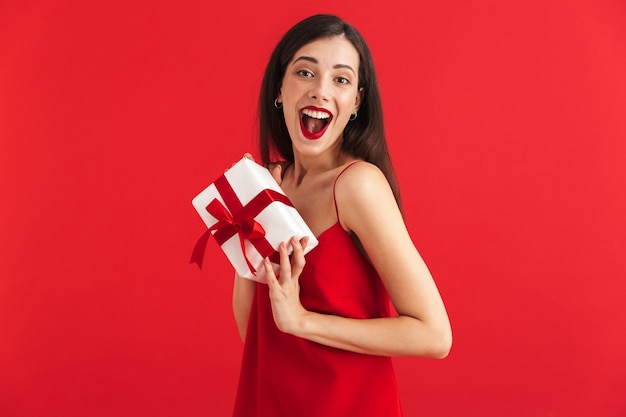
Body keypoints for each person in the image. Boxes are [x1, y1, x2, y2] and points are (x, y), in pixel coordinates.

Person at [231, 14, 452, 417]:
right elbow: (254, 329)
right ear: (280, 89)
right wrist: (252, 212)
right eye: (305, 72)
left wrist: (303, 321)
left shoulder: (356, 185)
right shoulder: (274, 184)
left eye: (341, 79)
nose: (320, 90)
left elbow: (434, 335)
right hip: (269, 399)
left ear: (356, 103)